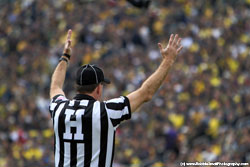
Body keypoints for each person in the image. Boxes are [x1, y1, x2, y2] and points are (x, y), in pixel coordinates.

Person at [49, 29, 182, 167]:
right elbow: (145, 93)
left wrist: (65, 57)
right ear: (99, 88)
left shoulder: (59, 108)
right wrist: (168, 61)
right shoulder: (106, 111)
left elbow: (55, 87)